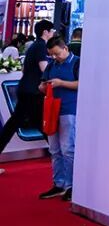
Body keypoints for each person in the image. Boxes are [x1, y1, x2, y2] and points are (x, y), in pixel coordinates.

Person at [0, 20, 54, 156]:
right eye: (52, 31)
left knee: (16, 123)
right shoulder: (41, 46)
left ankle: (57, 151)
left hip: (25, 88)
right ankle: (58, 152)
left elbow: (24, 70)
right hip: (33, 92)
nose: (53, 33)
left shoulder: (33, 46)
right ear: (45, 32)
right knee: (40, 122)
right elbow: (44, 68)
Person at [38, 36, 79, 201]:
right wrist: (43, 87)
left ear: (65, 48)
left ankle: (71, 186)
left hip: (69, 109)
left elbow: (82, 84)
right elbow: (41, 84)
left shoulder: (77, 63)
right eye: (52, 55)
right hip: (52, 110)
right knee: (54, 149)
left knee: (68, 149)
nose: (55, 57)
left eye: (57, 53)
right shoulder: (51, 65)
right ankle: (58, 184)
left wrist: (61, 83)